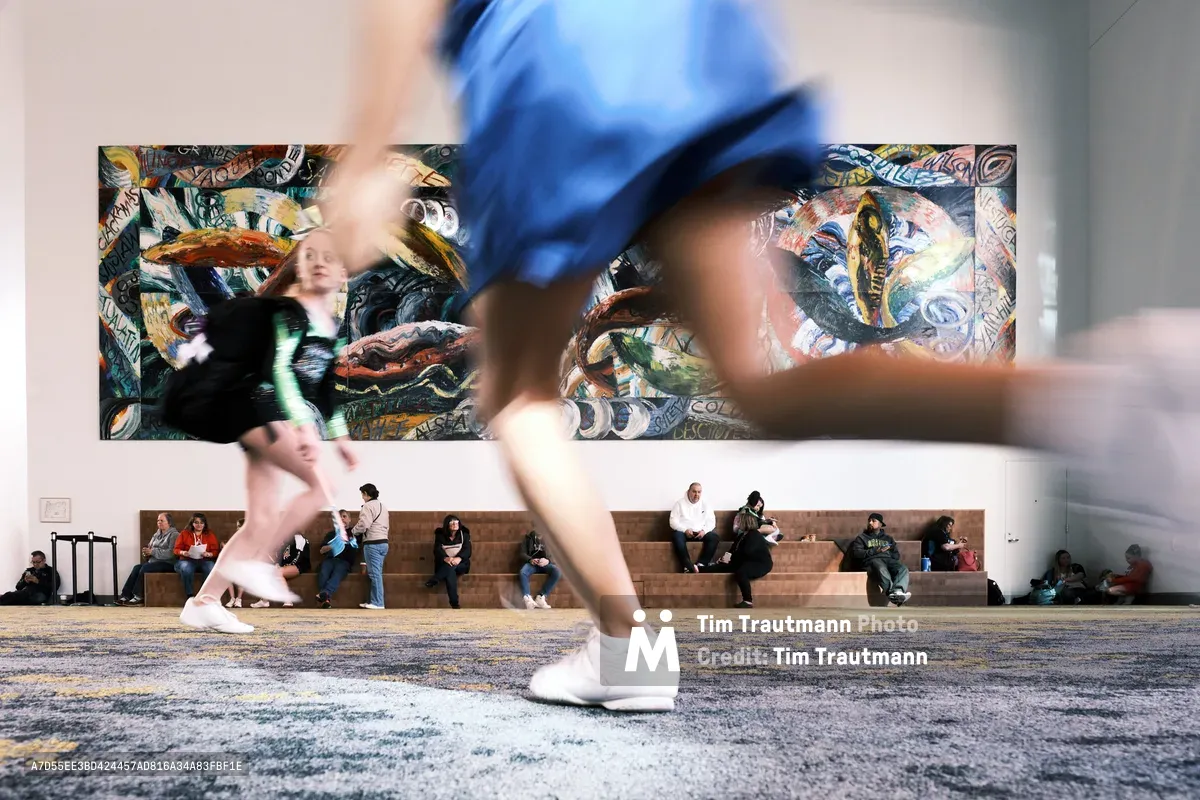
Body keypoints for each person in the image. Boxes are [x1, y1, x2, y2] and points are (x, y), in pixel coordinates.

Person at [325, 0, 1193, 710]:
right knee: (761, 388)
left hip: (552, 56)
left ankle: (628, 651)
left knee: (519, 400)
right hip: (690, 41)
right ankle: (1109, 407)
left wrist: (364, 162)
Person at [161, 226, 358, 634]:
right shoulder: (290, 313)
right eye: (310, 256)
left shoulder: (329, 325)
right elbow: (279, 369)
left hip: (271, 415)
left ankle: (205, 601)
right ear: (299, 269)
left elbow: (325, 386)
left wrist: (340, 438)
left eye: (329, 256)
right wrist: (303, 428)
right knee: (320, 484)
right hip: (259, 409)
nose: (319, 262)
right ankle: (257, 562)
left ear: (344, 272)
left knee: (261, 519)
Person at [700, 508, 774, 608]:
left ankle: (748, 600)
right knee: (723, 566)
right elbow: (732, 551)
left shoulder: (754, 535)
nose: (737, 522)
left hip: (760, 563)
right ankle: (699, 569)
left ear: (745, 521)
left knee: (741, 572)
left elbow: (747, 552)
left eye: (739, 520)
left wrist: (732, 558)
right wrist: (725, 559)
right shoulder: (740, 536)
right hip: (745, 561)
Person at [118, 512, 178, 605]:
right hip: (153, 562)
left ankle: (139, 596)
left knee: (145, 568)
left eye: (162, 520)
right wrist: (146, 553)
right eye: (158, 520)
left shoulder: (174, 535)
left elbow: (171, 553)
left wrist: (153, 552)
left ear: (169, 523)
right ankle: (125, 596)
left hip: (168, 563)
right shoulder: (156, 535)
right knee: (136, 567)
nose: (159, 522)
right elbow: (150, 548)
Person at [850, 514, 911, 606]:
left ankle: (898, 591)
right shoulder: (861, 538)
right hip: (871, 561)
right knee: (880, 567)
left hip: (888, 560)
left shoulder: (888, 539)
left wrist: (887, 554)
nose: (870, 522)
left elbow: (896, 555)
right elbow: (857, 554)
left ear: (880, 524)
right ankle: (892, 594)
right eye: (869, 520)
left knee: (903, 568)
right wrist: (876, 551)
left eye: (873, 521)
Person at [351, 483, 389, 610]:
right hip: (384, 542)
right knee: (377, 573)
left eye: (363, 494)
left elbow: (364, 525)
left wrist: (353, 532)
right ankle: (374, 601)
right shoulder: (382, 506)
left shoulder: (367, 506)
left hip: (373, 543)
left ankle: (378, 603)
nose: (362, 497)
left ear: (366, 494)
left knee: (374, 575)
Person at [669, 483, 720, 573]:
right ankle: (687, 565)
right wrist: (685, 530)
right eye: (694, 491)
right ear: (689, 492)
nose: (696, 494)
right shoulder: (679, 504)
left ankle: (701, 564)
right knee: (676, 536)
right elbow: (673, 522)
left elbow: (712, 522)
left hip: (701, 533)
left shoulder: (706, 504)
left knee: (714, 537)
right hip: (684, 532)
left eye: (699, 492)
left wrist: (704, 531)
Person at [425, 515, 472, 609]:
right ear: (447, 525)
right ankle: (454, 603)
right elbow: (437, 550)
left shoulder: (464, 535)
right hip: (445, 563)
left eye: (456, 522)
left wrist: (459, 558)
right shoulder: (440, 536)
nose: (455, 524)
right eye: (452, 522)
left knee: (451, 568)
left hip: (461, 564)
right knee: (450, 570)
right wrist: (445, 558)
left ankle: (435, 579)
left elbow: (468, 550)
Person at [317, 510, 359, 608]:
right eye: (340, 518)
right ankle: (326, 599)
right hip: (330, 560)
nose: (342, 519)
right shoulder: (331, 534)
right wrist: (333, 545)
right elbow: (321, 551)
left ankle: (324, 594)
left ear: (349, 519)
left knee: (337, 574)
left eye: (344, 516)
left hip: (344, 562)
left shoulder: (354, 533)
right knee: (323, 573)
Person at [172, 513, 220, 600]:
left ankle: (204, 595)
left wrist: (208, 554)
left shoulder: (209, 534)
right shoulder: (184, 533)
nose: (199, 525)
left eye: (201, 523)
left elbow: (216, 551)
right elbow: (176, 550)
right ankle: (189, 595)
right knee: (186, 568)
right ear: (192, 523)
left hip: (204, 560)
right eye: (196, 522)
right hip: (186, 560)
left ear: (204, 524)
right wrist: (183, 552)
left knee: (211, 567)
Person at [519, 529, 561, 610]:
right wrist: (530, 559)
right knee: (523, 572)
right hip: (532, 563)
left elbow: (555, 554)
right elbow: (522, 553)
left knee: (557, 571)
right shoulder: (528, 538)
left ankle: (541, 597)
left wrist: (548, 560)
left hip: (545, 564)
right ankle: (528, 599)